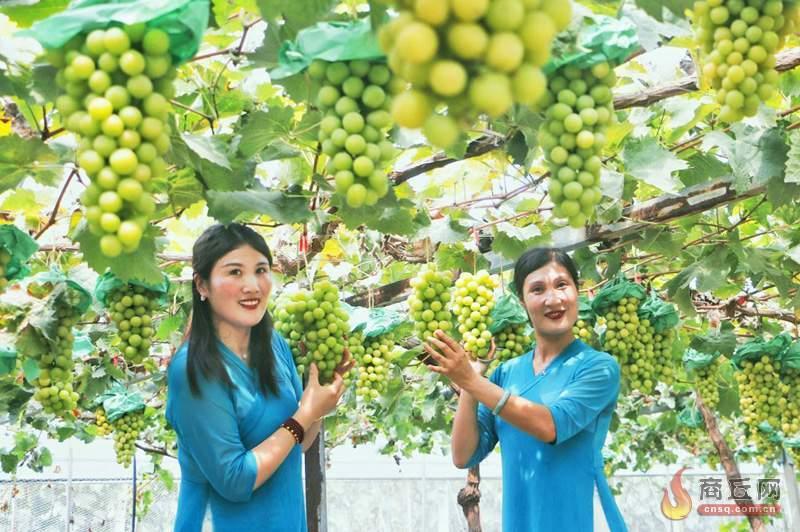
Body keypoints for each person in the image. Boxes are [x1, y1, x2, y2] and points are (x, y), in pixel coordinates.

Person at [424, 248, 626, 532]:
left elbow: (550, 426)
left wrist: (472, 381)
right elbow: (464, 455)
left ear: (577, 291)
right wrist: (472, 382)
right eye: (537, 289)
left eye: (562, 285)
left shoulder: (598, 367)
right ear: (522, 302)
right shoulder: (506, 373)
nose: (553, 299)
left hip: (581, 521)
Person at [166, 223, 352, 531]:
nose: (252, 285)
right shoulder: (192, 370)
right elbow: (235, 481)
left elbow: (294, 446)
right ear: (202, 285)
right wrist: (304, 414)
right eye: (235, 272)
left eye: (261, 270)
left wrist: (318, 406)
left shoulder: (273, 345)